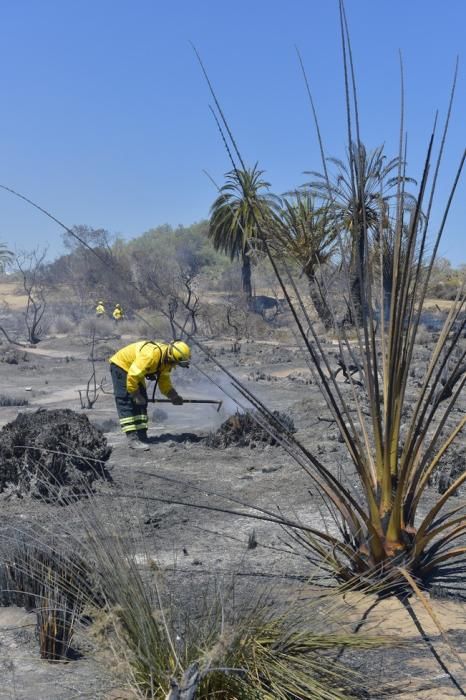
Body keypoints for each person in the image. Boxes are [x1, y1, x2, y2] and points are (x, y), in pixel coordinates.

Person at [109, 339, 191, 450]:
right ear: (172, 358)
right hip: (122, 366)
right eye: (175, 363)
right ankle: (132, 439)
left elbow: (164, 381)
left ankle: (142, 436)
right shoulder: (150, 356)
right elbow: (133, 376)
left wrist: (173, 396)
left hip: (135, 371)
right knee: (127, 400)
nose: (175, 366)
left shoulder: (166, 360)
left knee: (143, 401)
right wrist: (135, 394)